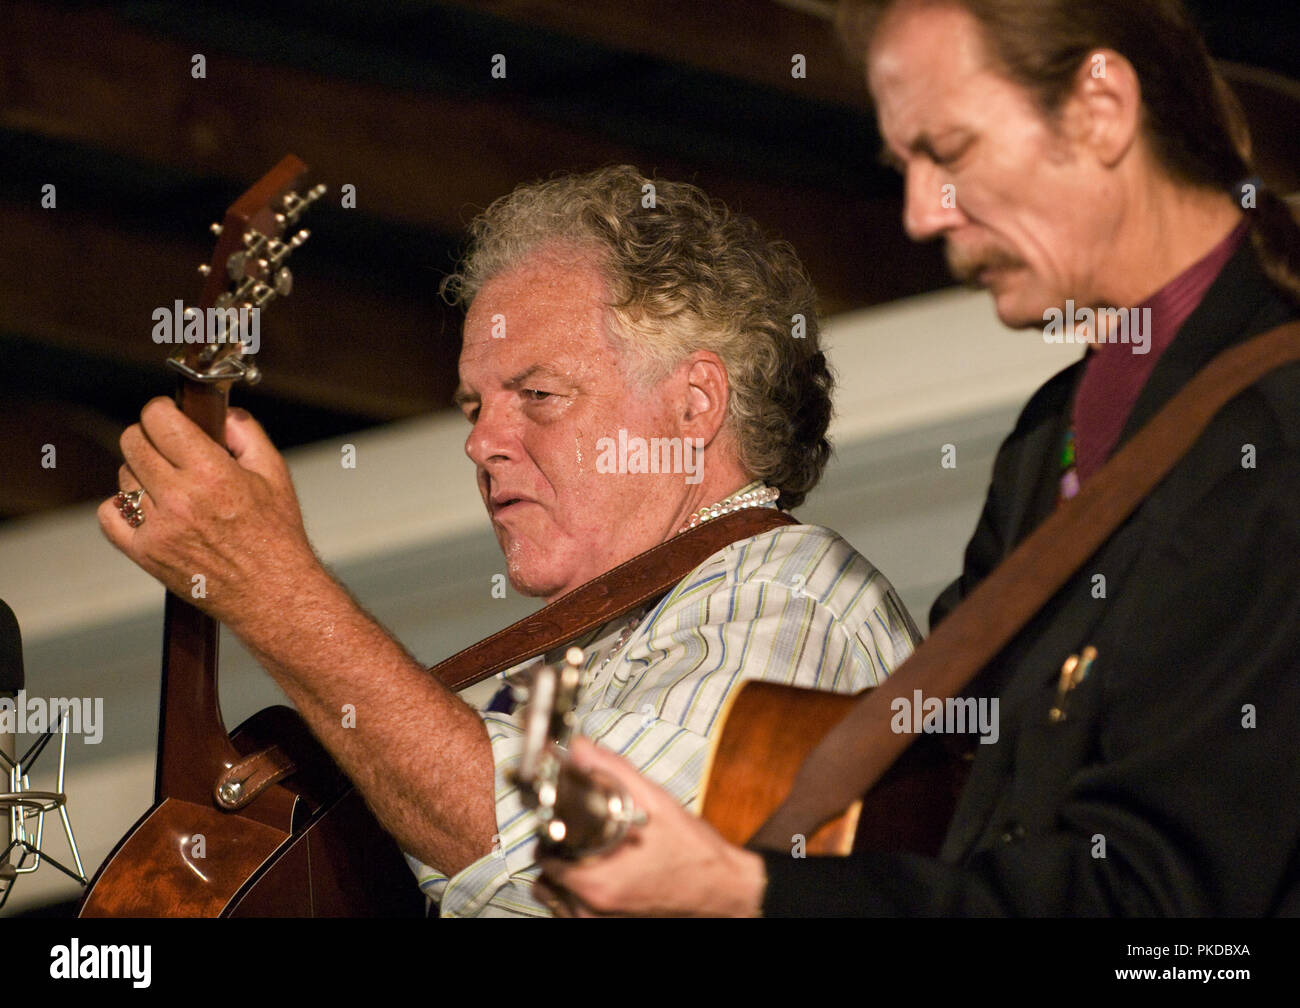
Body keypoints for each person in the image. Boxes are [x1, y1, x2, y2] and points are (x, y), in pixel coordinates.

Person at [540, 0, 1300, 916]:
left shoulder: (1273, 435)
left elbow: (1171, 923)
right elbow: (956, 802)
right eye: (905, 169)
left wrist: (749, 896)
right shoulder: (1048, 437)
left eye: (951, 151)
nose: (919, 215)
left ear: (1101, 108)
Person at [98, 165, 920, 916]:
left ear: (695, 404)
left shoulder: (787, 595)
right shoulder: (557, 672)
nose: (482, 441)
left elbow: (587, 870)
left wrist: (272, 590)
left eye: (537, 393)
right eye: (473, 406)